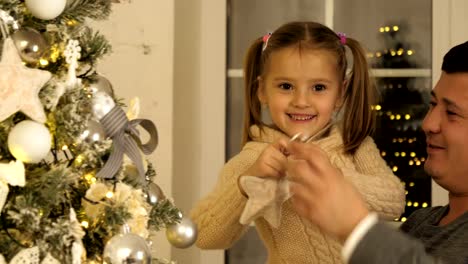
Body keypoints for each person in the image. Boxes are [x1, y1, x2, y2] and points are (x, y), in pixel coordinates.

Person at [190, 21, 405, 263]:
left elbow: (395, 202)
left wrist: (332, 176)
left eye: (319, 87)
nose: (301, 101)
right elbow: (203, 235)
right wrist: (245, 183)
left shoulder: (354, 145)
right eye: (286, 86)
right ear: (262, 90)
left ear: (340, 93)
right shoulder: (257, 159)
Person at [286, 41, 468, 264]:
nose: (428, 123)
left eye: (451, 113)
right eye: (432, 104)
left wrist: (355, 226)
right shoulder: (419, 223)